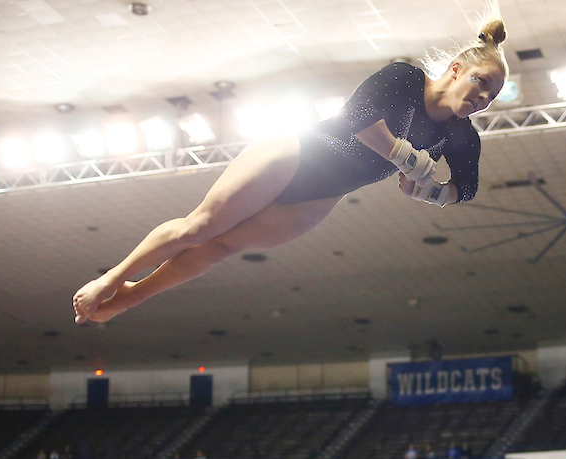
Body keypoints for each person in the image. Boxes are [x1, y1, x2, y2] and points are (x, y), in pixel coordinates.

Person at [71, 7, 509, 326]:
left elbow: (465, 187)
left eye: (491, 95)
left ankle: (130, 298)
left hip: (319, 197)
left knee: (220, 249)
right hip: (298, 152)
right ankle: (111, 278)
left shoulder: (460, 134)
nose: (483, 97)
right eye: (481, 82)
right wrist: (407, 158)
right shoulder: (404, 78)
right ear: (456, 70)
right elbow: (356, 120)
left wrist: (432, 192)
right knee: (200, 228)